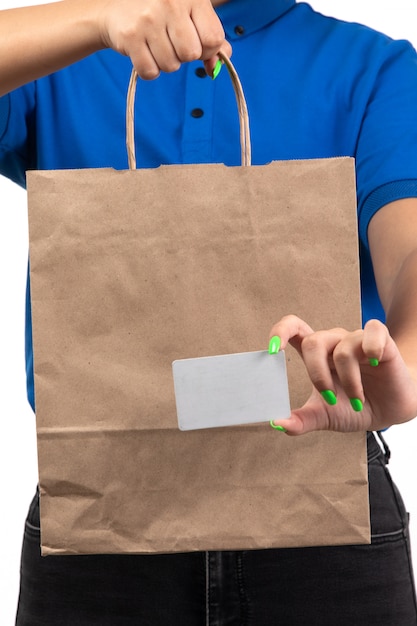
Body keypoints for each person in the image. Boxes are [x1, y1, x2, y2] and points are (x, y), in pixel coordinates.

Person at [1, 0, 417, 623]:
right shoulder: (60, 59)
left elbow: (409, 252)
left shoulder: (375, 68)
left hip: (324, 509)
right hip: (100, 510)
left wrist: (406, 357)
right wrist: (99, 20)